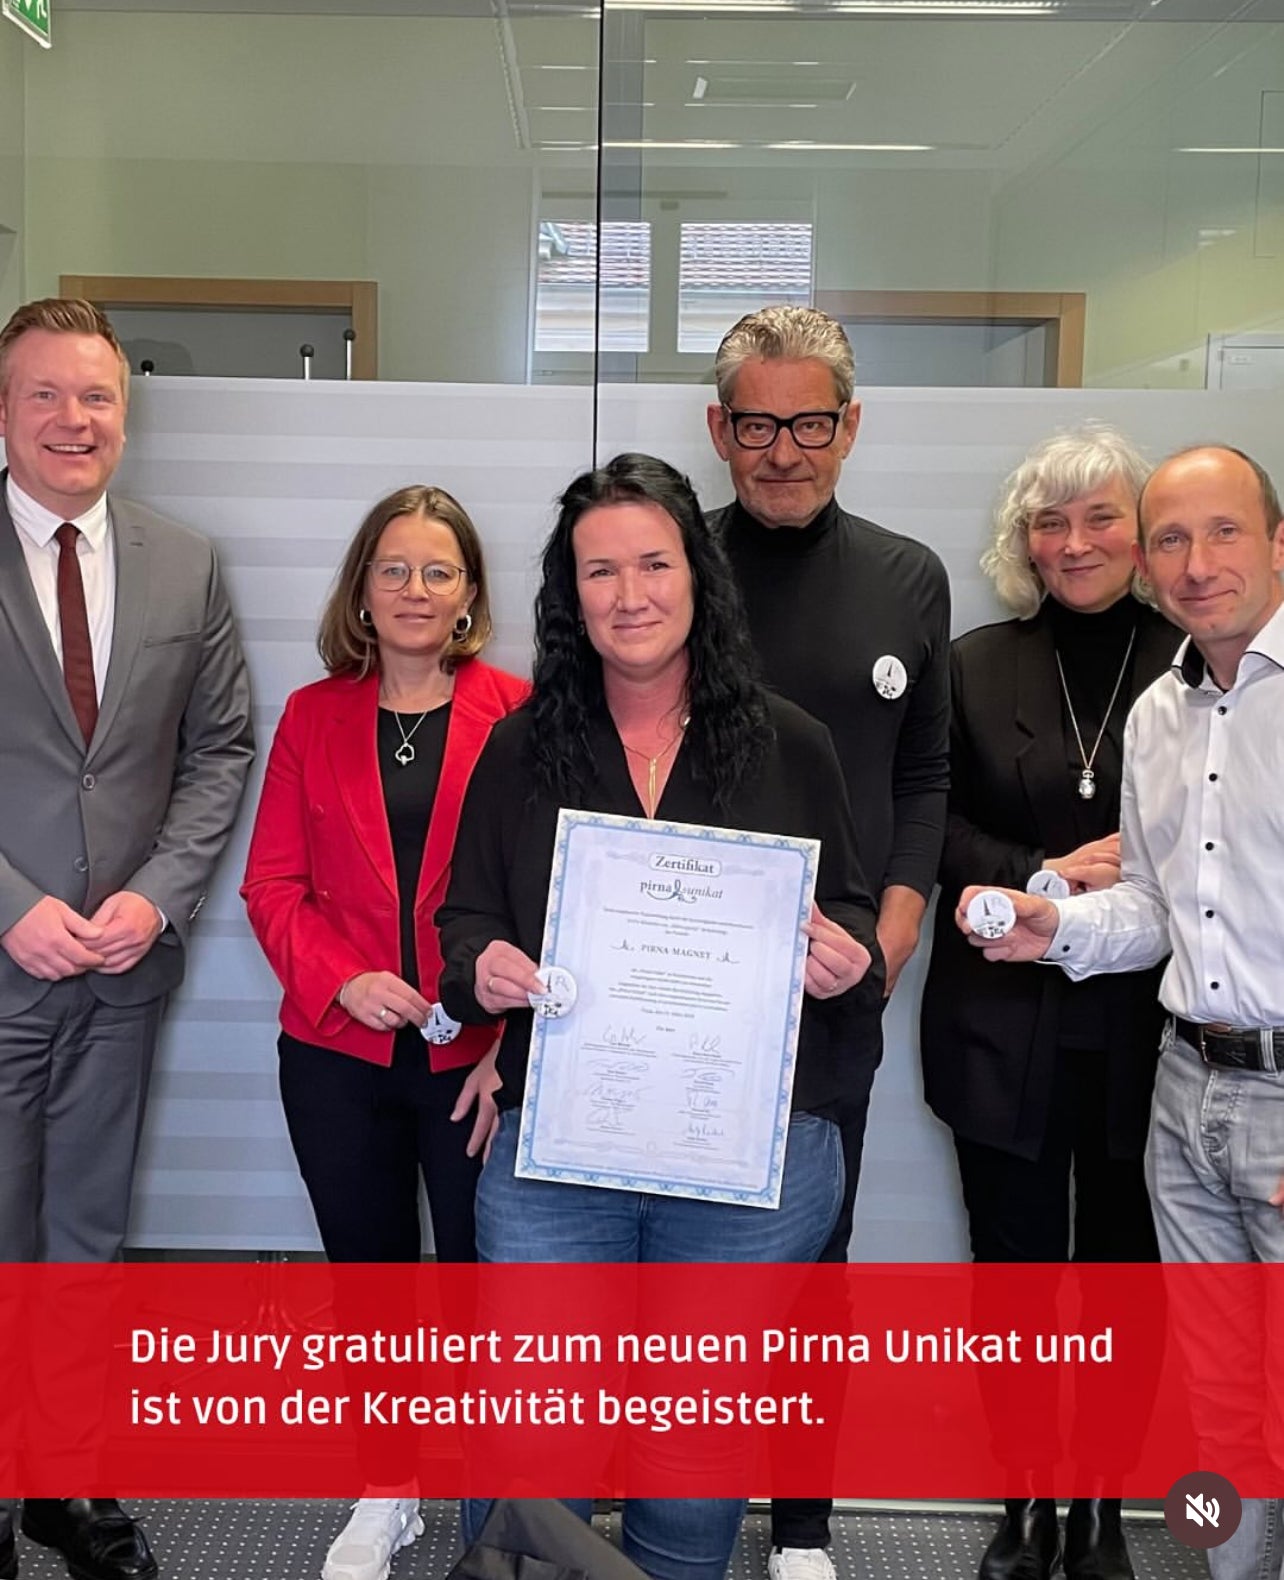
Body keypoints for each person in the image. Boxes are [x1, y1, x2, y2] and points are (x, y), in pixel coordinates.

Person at [436, 452, 885, 1580]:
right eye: (600, 571)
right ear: (569, 593)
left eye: (653, 563)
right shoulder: (521, 744)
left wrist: (845, 956)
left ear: (698, 577)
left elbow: (847, 911)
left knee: (694, 1440)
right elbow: (465, 919)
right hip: (563, 1144)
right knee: (535, 1432)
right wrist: (483, 967)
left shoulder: (791, 741)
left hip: (743, 1150)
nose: (629, 594)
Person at [956, 445, 1284, 1580]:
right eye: (1175, 538)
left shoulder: (1194, 681)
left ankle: (1115, 1516)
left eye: (1223, 532)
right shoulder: (1153, 711)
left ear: (1277, 543)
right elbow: (1151, 907)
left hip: (1246, 1083)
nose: (1196, 564)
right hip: (1167, 1082)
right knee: (1216, 1389)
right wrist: (1051, 911)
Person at [0, 297, 253, 1580]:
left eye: (94, 394)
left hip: (121, 964)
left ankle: (68, 1480)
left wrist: (157, 895)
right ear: (4, 411)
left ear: (125, 408)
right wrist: (9, 903)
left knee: (85, 1236)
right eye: (44, 393)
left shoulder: (183, 562)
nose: (73, 419)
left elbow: (220, 749)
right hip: (2, 954)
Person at [241, 484, 527, 1580]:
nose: (415, 589)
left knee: (484, 1285)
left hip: (475, 1059)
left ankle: (494, 1500)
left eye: (438, 571)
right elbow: (272, 884)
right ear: (362, 590)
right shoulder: (313, 714)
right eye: (394, 569)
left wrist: (506, 1036)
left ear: (469, 595)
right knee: (370, 1281)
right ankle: (387, 1487)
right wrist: (343, 979)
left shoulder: (518, 711)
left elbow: (547, 890)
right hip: (337, 1055)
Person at [705, 305, 950, 1580]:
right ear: (719, 430)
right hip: (686, 981)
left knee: (815, 1263)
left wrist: (891, 941)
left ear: (850, 427)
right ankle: (672, 1509)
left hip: (836, 989)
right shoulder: (675, 564)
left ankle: (802, 1525)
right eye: (759, 424)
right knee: (672, 1258)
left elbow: (926, 776)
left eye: (810, 423)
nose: (784, 450)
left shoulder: (909, 576)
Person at [921, 426, 1179, 1580]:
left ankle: (1103, 1506)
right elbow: (930, 824)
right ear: (1023, 540)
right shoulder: (973, 664)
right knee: (1013, 1278)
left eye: (1100, 517)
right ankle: (1024, 1499)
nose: (1074, 542)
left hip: (1151, 1029)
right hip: (1000, 1021)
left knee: (1130, 1282)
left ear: (1142, 533)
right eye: (1049, 521)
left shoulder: (1196, 666)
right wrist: (1043, 872)